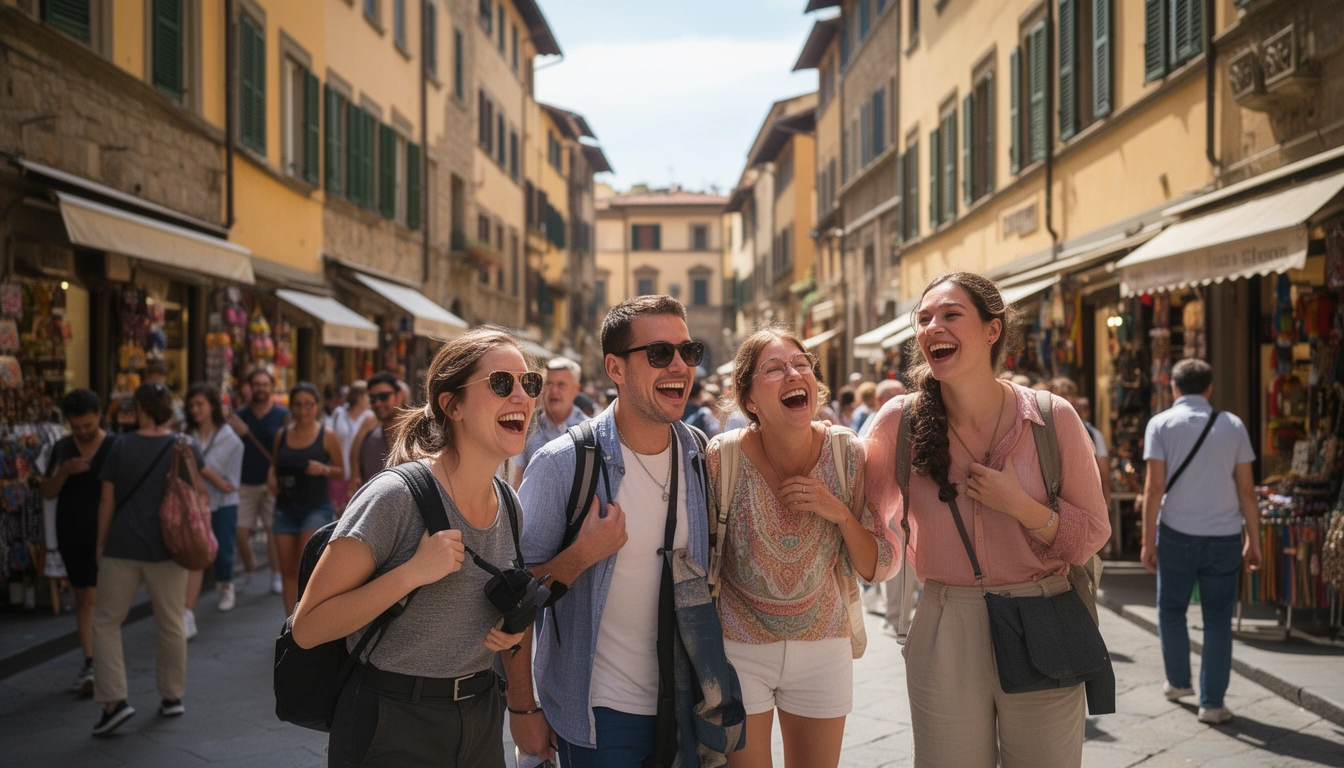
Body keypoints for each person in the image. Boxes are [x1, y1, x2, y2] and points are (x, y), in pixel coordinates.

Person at [863, 272, 1110, 767]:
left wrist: (1022, 507)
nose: (933, 327)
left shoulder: (1052, 416)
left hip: (1042, 614)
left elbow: (1092, 535)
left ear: (992, 330)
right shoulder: (899, 422)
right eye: (925, 318)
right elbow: (867, 522)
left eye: (951, 315)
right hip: (944, 622)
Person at [291, 328, 536, 767]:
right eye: (502, 383)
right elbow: (307, 627)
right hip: (391, 722)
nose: (521, 395)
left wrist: (511, 631)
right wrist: (411, 573)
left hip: (480, 716)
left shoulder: (511, 505)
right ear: (452, 404)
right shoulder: (395, 497)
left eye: (528, 383)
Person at [514, 295, 719, 766]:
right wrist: (523, 706)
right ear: (616, 367)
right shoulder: (563, 464)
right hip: (598, 714)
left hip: (688, 708)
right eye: (659, 353)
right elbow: (514, 599)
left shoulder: (701, 457)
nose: (680, 366)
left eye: (688, 352)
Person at [711, 327, 899, 768]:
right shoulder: (723, 457)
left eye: (801, 365)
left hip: (824, 649)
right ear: (750, 400)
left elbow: (878, 566)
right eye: (774, 369)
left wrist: (839, 513)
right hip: (738, 649)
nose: (794, 374)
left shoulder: (847, 454)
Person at [1141, 358, 1261, 725]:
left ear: (1174, 388)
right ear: (1209, 388)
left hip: (1176, 533)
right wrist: (1253, 539)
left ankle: (1179, 682)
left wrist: (1148, 540)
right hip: (1224, 536)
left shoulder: (1160, 424)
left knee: (1171, 609)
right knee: (1218, 620)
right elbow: (1246, 489)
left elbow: (1154, 487)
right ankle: (1212, 703)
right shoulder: (1233, 425)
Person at [90, 383, 205, 736]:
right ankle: (172, 697)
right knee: (171, 623)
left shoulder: (119, 445)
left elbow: (107, 500)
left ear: (139, 408)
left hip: (123, 544)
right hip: (168, 546)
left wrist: (101, 541)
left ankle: (114, 702)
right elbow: (198, 491)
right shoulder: (184, 445)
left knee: (106, 621)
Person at [39, 389, 117, 697]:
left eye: (87, 425)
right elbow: (46, 492)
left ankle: (101, 665)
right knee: (84, 598)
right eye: (76, 427)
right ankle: (90, 661)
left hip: (107, 535)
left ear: (99, 415)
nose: (82, 432)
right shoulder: (61, 448)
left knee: (98, 600)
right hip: (70, 531)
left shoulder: (115, 446)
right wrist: (65, 471)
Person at [267, 382, 343, 614]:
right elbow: (274, 465)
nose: (303, 410)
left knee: (305, 566)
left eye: (308, 404)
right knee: (287, 571)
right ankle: (290, 626)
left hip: (315, 507)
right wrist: (270, 477)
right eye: (298, 405)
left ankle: (308, 619)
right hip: (285, 507)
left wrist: (324, 469)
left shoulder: (327, 435)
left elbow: (341, 470)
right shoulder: (281, 435)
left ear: (317, 406)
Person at [183, 383, 244, 628]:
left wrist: (203, 471)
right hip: (194, 503)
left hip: (223, 503)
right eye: (192, 405)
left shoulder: (231, 441)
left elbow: (231, 485)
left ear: (212, 406)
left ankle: (226, 587)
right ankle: (189, 607)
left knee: (223, 549)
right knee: (196, 551)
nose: (195, 409)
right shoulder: (187, 437)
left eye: (200, 404)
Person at [226, 368, 289, 596]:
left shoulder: (283, 415)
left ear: (271, 387)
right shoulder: (239, 417)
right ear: (250, 388)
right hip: (245, 481)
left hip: (272, 481)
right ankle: (250, 565)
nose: (261, 388)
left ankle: (276, 574)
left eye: (265, 384)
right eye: (257, 384)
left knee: (273, 530)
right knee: (240, 530)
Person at [510, 357, 587, 489]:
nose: (553, 391)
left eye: (561, 385)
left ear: (576, 389)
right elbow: (517, 478)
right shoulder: (527, 425)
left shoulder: (588, 431)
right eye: (549, 384)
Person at [326, 380, 374, 512]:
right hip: (338, 469)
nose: (369, 400)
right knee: (337, 513)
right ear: (358, 396)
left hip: (357, 473)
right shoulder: (339, 413)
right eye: (367, 396)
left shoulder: (370, 417)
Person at [349, 371, 401, 492]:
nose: (377, 403)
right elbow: (354, 457)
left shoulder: (415, 428)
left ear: (398, 396)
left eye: (384, 397)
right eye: (372, 398)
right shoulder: (370, 432)